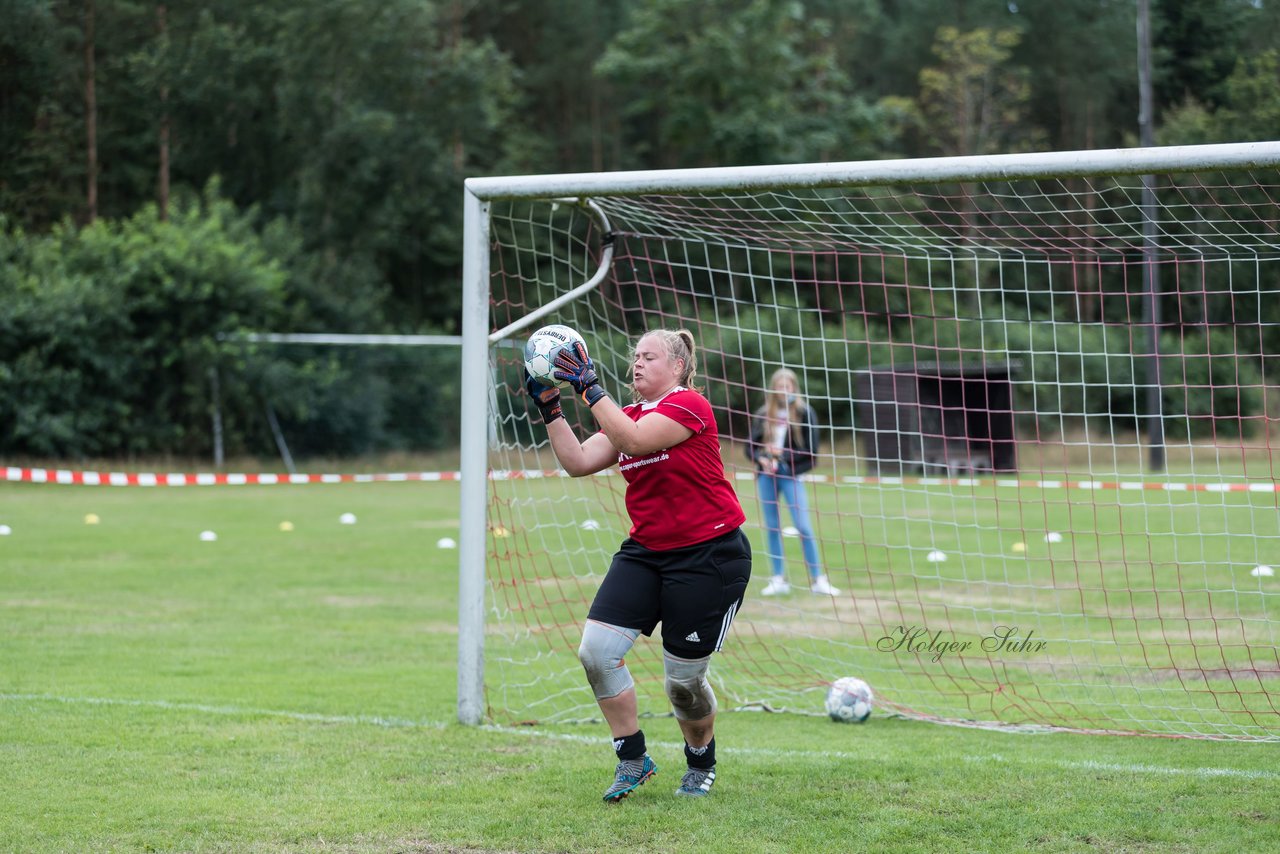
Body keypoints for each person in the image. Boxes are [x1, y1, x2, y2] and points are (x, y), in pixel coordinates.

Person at [524, 328, 751, 803]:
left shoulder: (689, 404)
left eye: (649, 357)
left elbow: (634, 441)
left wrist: (588, 385)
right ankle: (633, 759)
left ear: (678, 367)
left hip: (709, 556)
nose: (638, 365)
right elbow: (579, 461)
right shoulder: (626, 413)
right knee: (596, 652)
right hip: (647, 552)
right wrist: (551, 409)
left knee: (683, 685)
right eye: (635, 358)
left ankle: (700, 762)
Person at [747, 368, 839, 596]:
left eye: (787, 387)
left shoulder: (805, 413)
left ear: (794, 389)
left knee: (803, 526)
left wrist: (783, 457)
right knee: (772, 527)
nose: (783, 391)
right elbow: (749, 447)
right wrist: (762, 458)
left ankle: (818, 579)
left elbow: (812, 452)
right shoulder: (763, 414)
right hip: (767, 477)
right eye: (779, 386)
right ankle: (778, 578)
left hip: (792, 475)